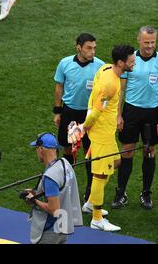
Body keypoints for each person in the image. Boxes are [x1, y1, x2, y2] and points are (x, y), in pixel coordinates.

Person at [113, 26, 158, 210]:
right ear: (138, 40)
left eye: (153, 42)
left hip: (153, 113)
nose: (150, 46)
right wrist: (118, 115)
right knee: (127, 150)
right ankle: (121, 192)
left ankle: (146, 193)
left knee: (149, 150)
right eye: (146, 42)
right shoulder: (131, 60)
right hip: (131, 111)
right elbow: (120, 90)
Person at [79, 45, 136, 232]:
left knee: (116, 161)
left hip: (107, 131)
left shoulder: (104, 69)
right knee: (101, 173)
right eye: (131, 59)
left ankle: (89, 203)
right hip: (101, 133)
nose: (134, 61)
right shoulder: (110, 84)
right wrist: (84, 128)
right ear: (121, 62)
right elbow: (96, 110)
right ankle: (96, 219)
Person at [53, 33, 105, 212]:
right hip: (70, 113)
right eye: (89, 48)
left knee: (90, 152)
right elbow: (59, 86)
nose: (92, 51)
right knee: (69, 149)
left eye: (94, 48)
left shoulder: (100, 66)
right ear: (78, 47)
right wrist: (57, 111)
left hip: (89, 116)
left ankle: (90, 192)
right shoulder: (65, 63)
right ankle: (68, 185)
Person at [26, 133, 82, 244]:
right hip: (62, 227)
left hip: (49, 232)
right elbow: (60, 191)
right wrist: (36, 193)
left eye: (36, 148)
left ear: (41, 149)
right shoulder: (65, 164)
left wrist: (34, 200)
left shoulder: (50, 176)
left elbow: (54, 209)